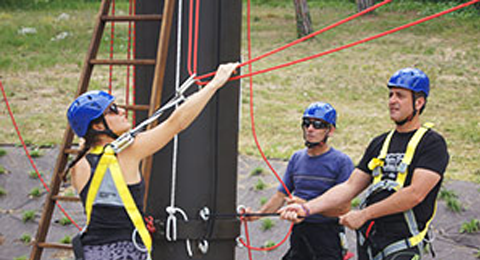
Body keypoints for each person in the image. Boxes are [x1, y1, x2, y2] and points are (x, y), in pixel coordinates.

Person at [65, 63, 238, 260]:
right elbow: (177, 122)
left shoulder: (78, 166)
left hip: (91, 253)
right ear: (97, 125)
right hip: (126, 253)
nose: (122, 111)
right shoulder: (128, 152)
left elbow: (90, 148)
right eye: (112, 110)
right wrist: (215, 84)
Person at [279, 68, 450, 260]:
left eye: (400, 96)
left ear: (419, 102)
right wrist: (306, 209)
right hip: (371, 242)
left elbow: (415, 194)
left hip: (403, 246)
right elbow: (349, 186)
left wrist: (365, 214)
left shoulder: (432, 144)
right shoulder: (380, 143)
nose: (392, 100)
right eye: (390, 94)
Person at [245, 102, 355, 260]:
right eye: (307, 123)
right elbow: (280, 196)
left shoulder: (341, 162)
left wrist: (307, 206)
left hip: (327, 236)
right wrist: (257, 215)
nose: (310, 129)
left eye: (318, 125)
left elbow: (343, 209)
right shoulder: (297, 158)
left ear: (330, 130)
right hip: (300, 234)